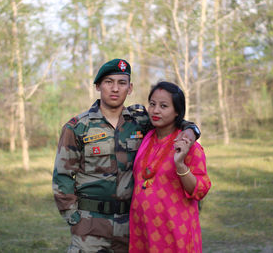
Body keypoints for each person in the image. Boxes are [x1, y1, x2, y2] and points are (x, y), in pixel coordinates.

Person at [52, 59, 201, 253]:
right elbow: (62, 176)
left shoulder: (140, 120)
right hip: (90, 224)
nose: (115, 89)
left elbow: (175, 119)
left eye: (122, 83)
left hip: (132, 224)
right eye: (108, 82)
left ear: (129, 88)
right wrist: (74, 219)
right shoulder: (78, 127)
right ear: (98, 86)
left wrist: (191, 131)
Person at [129, 81, 211, 253]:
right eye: (152, 104)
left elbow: (201, 190)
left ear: (177, 112)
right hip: (142, 232)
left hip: (175, 233)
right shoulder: (145, 136)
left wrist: (180, 164)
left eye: (163, 106)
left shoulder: (188, 146)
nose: (155, 110)